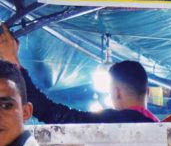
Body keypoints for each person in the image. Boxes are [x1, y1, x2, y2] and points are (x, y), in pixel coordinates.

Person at [0, 24, 159, 123]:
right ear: (148, 92)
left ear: (117, 92)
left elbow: (51, 113)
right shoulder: (163, 128)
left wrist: (13, 61)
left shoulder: (114, 122)